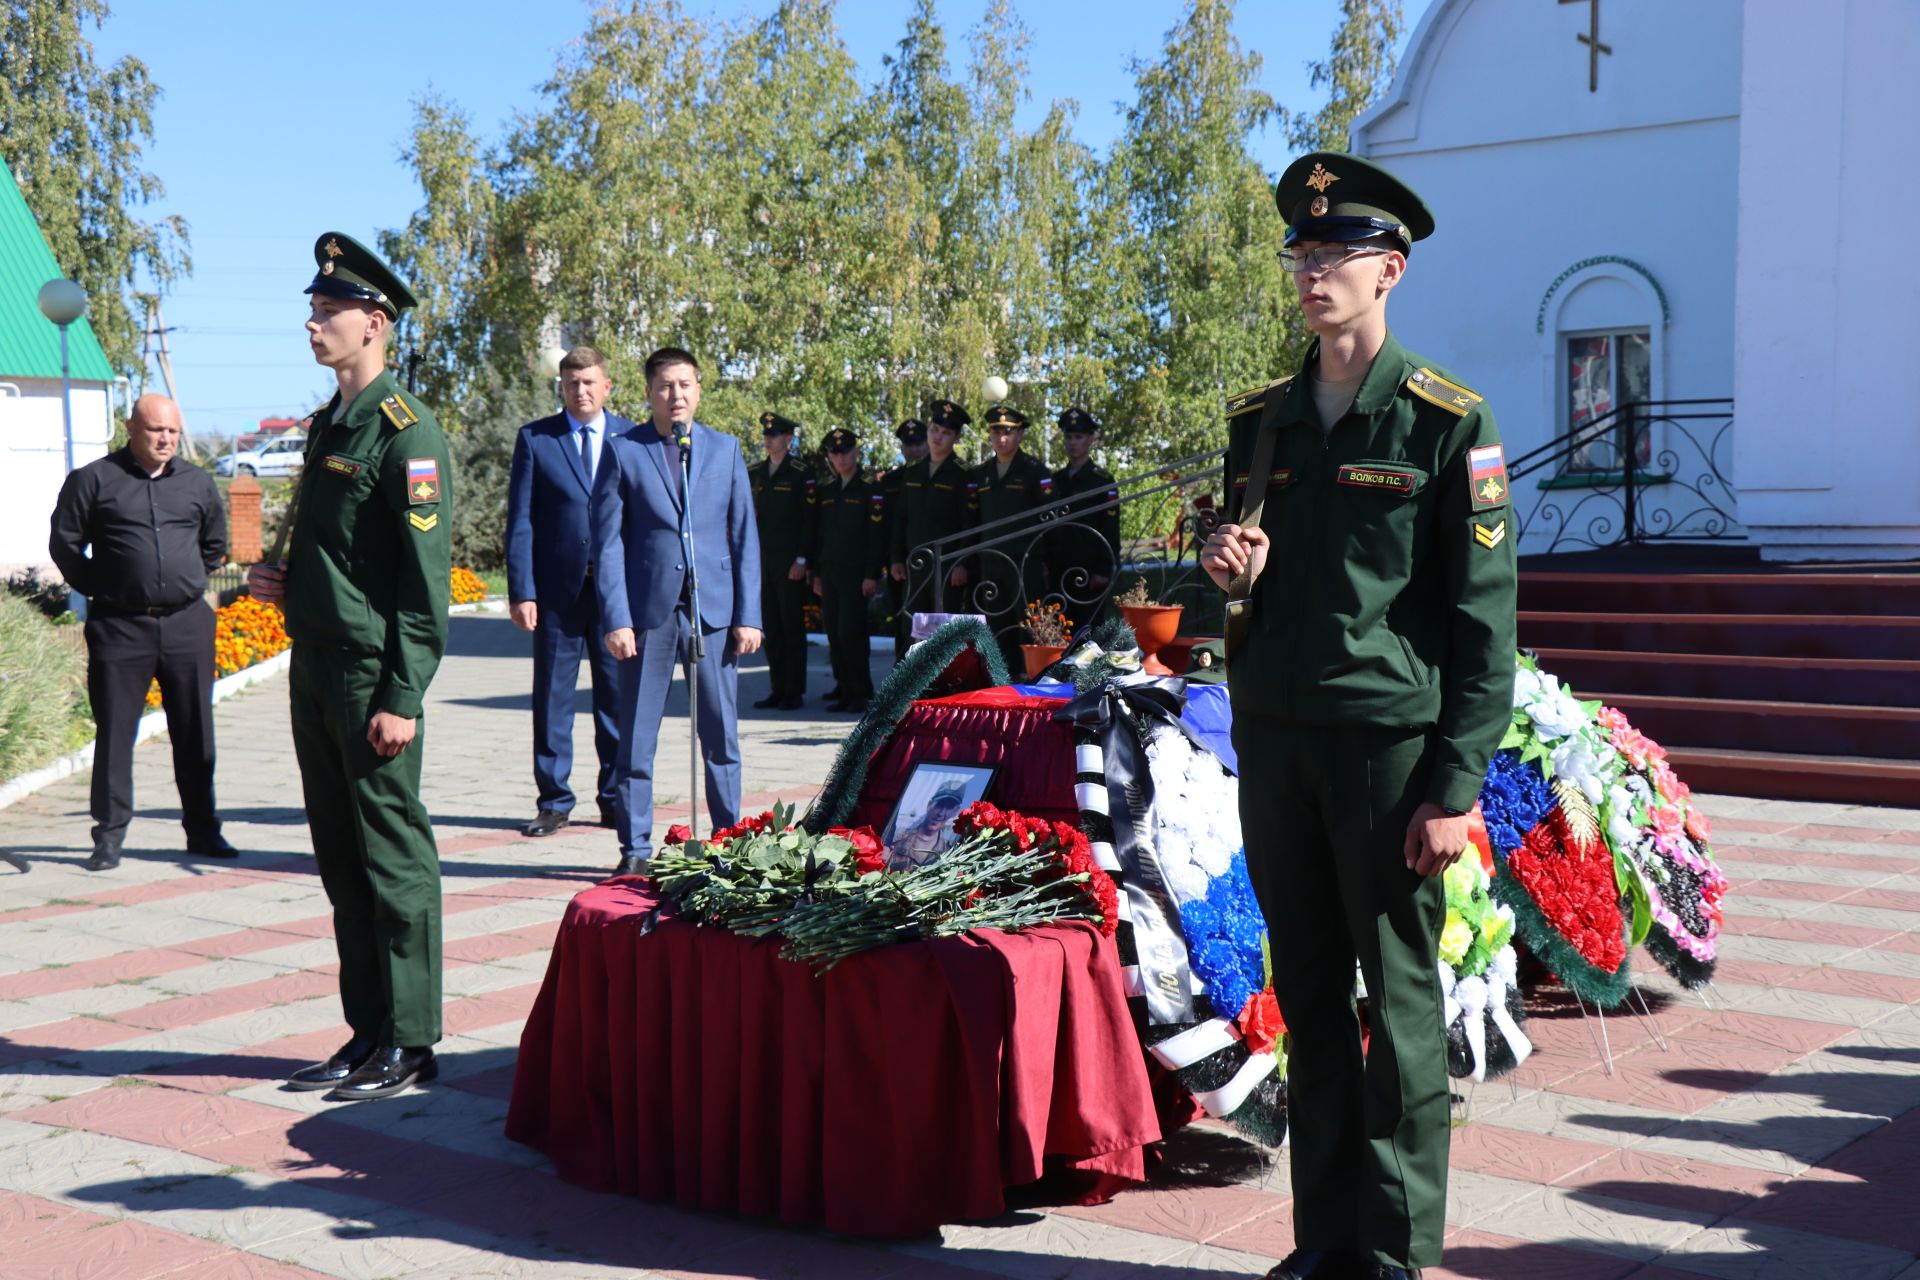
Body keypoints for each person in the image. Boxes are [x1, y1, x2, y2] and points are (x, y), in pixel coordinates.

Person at [1199, 153, 1516, 1280]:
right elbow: (1238, 578)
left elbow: (1485, 624)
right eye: (1301, 252)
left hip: (1387, 752)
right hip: (1277, 741)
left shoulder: (1448, 423)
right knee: (1310, 1000)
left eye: (1333, 254)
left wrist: (1456, 786)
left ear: (1390, 270)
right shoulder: (1264, 422)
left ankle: (1393, 1246)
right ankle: (1323, 1239)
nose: (1311, 270)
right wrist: (1226, 571)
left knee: (1401, 997)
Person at [247, 232, 454, 1103]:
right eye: (314, 309)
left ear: (374, 323)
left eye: (328, 311)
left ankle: (411, 1041)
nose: (313, 322)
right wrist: (280, 581)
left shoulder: (408, 434)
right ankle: (367, 1030)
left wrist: (402, 694)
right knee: (340, 856)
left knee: (392, 856)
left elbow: (425, 583)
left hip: (372, 676)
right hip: (316, 665)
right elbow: (341, 554)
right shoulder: (331, 422)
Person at [592, 347, 762, 876]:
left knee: (721, 735)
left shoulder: (725, 449)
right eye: (666, 386)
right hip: (649, 616)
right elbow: (608, 542)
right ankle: (635, 847)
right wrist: (616, 617)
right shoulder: (625, 451)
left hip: (712, 612)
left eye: (685, 384)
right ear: (649, 393)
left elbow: (743, 537)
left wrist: (749, 615)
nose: (677, 395)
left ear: (699, 389)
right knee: (637, 736)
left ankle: (730, 839)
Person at [49, 394, 236, 872]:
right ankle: (108, 838)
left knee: (195, 733)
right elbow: (66, 546)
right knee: (115, 733)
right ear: (130, 427)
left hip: (186, 624)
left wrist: (186, 579)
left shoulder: (196, 482)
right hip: (119, 627)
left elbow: (215, 544)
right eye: (155, 430)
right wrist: (105, 588)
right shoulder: (93, 480)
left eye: (172, 431)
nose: (165, 439)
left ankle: (203, 831)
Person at [506, 345, 633, 839]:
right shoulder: (537, 439)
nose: (580, 391)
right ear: (561, 386)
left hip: (614, 594)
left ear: (607, 387)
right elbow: (520, 520)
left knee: (616, 699)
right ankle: (554, 800)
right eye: (571, 383)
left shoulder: (632, 437)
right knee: (553, 698)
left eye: (589, 382)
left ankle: (614, 797)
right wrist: (522, 590)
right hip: (556, 593)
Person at [970, 404, 1054, 667]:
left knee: (1029, 625)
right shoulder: (981, 474)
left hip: (1024, 561)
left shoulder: (1034, 471)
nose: (1001, 438)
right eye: (996, 432)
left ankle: (1031, 680)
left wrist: (1046, 560)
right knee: (996, 626)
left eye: (1008, 432)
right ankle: (1001, 680)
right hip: (991, 562)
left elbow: (1049, 519)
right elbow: (973, 520)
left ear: (1020, 435)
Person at [808, 428, 883, 713]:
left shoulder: (868, 487)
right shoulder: (827, 490)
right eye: (835, 452)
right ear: (829, 456)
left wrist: (872, 574)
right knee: (835, 634)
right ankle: (843, 686)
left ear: (856, 452)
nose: (841, 457)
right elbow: (820, 534)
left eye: (846, 451)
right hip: (829, 572)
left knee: (852, 634)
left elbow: (875, 535)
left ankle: (861, 691)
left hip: (856, 573)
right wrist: (815, 572)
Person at [746, 412, 816, 710]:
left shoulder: (800, 472)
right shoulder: (757, 473)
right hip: (763, 561)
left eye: (774, 435)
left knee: (791, 627)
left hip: (789, 562)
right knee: (771, 628)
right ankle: (777, 687)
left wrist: (802, 559)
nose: (768, 439)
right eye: (766, 435)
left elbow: (809, 520)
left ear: (788, 439)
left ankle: (794, 690)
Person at [888, 400, 976, 633]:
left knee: (944, 633)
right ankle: (912, 671)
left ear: (956, 438)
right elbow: (901, 518)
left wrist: (962, 563)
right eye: (934, 430)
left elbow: (969, 523)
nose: (938, 437)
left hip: (947, 567)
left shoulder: (963, 473)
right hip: (915, 562)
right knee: (913, 630)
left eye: (946, 433)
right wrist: (896, 558)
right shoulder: (913, 472)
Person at [1048, 408, 1121, 635]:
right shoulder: (1056, 480)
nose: (1072, 443)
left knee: (1089, 634)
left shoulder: (1102, 480)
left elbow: (1110, 530)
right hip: (1059, 569)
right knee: (1058, 633)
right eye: (1068, 437)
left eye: (1078, 437)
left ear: (1090, 439)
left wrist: (1103, 569)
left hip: (1089, 571)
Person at [879, 417, 927, 664]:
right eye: (908, 444)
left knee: (927, 623)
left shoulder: (931, 475)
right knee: (901, 619)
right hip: (897, 561)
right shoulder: (889, 482)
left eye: (918, 443)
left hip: (925, 561)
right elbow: (888, 524)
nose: (914, 449)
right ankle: (901, 673)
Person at [884, 781, 966, 870]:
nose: (941, 813)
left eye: (949, 807)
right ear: (929, 805)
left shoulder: (948, 853)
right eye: (939, 805)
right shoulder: (896, 837)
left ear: (955, 811)